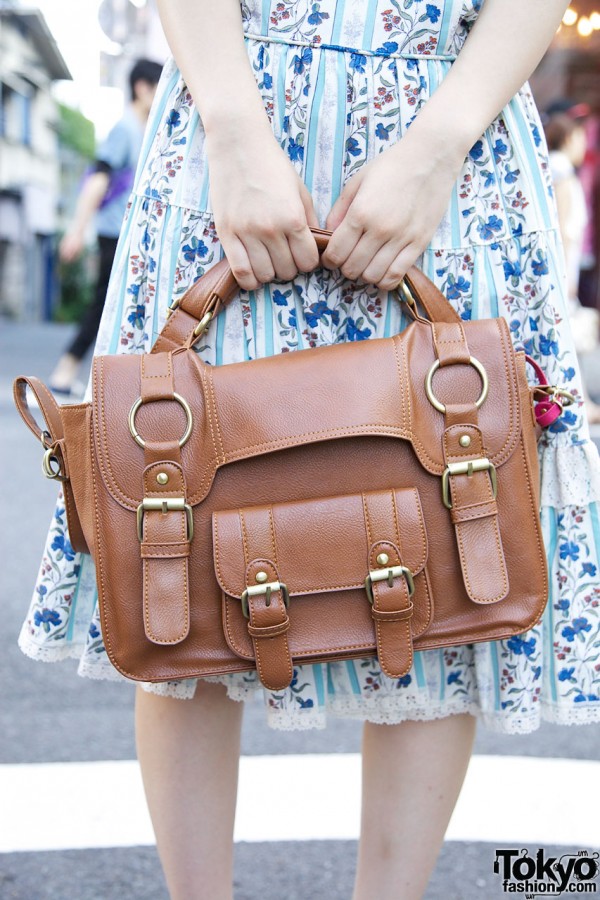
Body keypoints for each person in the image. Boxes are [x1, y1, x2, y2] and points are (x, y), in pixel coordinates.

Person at [20, 2, 600, 898]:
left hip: (453, 115)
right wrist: (232, 124)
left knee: (451, 537)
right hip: (238, 103)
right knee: (180, 526)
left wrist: (438, 145)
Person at [49, 58, 163, 395]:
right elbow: (97, 180)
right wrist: (76, 229)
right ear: (142, 87)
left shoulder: (139, 129)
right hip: (114, 232)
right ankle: (65, 371)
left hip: (124, 232)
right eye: (158, 89)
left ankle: (81, 375)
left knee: (116, 303)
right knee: (105, 303)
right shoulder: (125, 128)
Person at [543, 109, 600, 422]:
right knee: (566, 338)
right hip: (565, 267)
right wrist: (566, 275)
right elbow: (565, 228)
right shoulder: (563, 171)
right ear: (568, 138)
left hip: (565, 265)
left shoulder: (554, 167)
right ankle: (576, 402)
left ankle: (576, 401)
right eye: (580, 137)